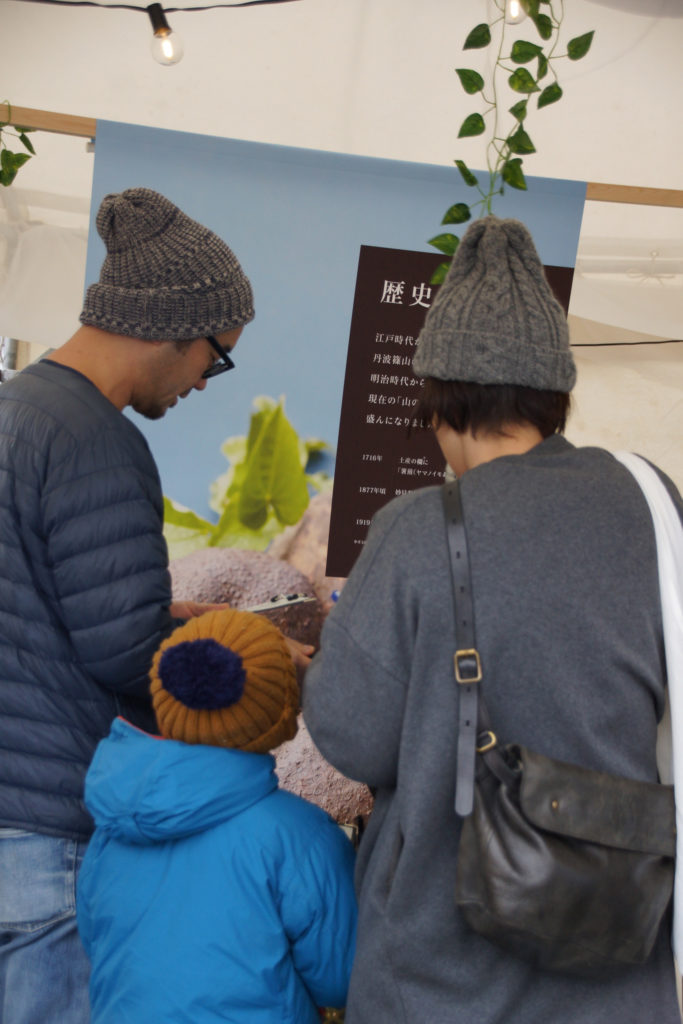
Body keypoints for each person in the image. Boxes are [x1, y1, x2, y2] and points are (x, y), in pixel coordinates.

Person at [302, 215, 683, 1024]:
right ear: (556, 396)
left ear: (437, 399)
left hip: (446, 969)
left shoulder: (414, 526)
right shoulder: (651, 500)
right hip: (620, 951)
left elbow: (354, 735)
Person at [0, 186, 311, 1024]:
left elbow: (48, 607)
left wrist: (175, 617)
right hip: (43, 827)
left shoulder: (17, 409)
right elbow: (120, 651)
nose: (209, 382)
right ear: (174, 326)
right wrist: (254, 663)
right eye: (219, 356)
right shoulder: (98, 440)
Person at [76, 605, 357, 1023]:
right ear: (280, 714)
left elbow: (93, 940)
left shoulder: (112, 829)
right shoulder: (299, 834)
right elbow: (340, 977)